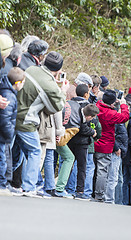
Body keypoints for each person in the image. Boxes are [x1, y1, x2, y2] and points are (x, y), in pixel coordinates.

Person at [16, 51, 67, 197]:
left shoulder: (31, 69)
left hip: (14, 115)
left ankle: (10, 183)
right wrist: (62, 90)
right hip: (27, 121)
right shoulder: (50, 85)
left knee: (17, 153)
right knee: (35, 151)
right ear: (58, 70)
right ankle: (29, 186)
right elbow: (57, 106)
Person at [55, 103, 99, 198]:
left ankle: (59, 187)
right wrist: (93, 132)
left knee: (58, 160)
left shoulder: (74, 105)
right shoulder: (77, 124)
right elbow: (62, 141)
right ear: (89, 116)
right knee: (75, 162)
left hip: (57, 132)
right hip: (66, 139)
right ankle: (64, 188)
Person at [94, 90, 129, 201]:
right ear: (112, 103)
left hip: (93, 143)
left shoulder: (97, 106)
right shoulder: (110, 114)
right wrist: (123, 104)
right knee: (102, 171)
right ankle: (99, 195)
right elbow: (124, 117)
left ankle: (88, 192)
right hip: (105, 146)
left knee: (91, 169)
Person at [0, 67, 25, 195]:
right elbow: (5, 118)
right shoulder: (9, 95)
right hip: (3, 134)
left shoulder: (7, 91)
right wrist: (9, 133)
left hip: (4, 133)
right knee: (2, 159)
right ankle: (2, 184)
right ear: (18, 83)